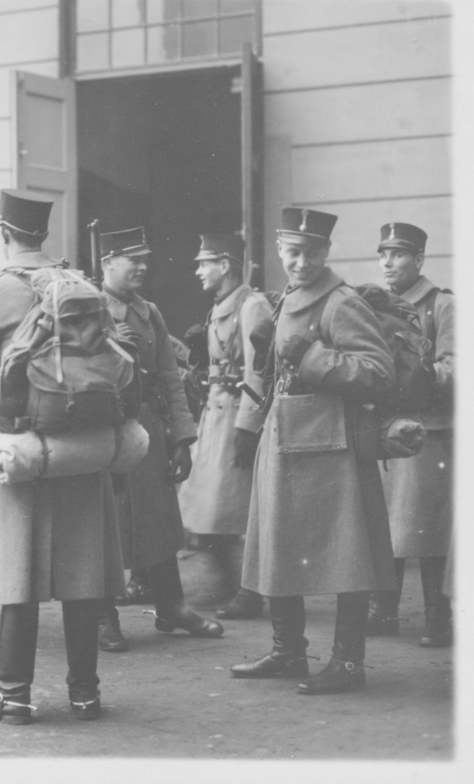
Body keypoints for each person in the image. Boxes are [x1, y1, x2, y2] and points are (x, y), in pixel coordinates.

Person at [0, 189, 126, 723]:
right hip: (81, 444)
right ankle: (85, 694)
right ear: (43, 233)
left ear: (4, 232)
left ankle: (13, 695)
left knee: (16, 571)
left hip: (16, 446)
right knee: (82, 572)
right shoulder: (82, 286)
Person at [230, 207, 396, 694]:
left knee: (348, 554)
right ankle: (288, 653)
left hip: (332, 449)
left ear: (326, 253)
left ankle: (348, 663)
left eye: (312, 253)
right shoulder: (286, 297)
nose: (301, 262)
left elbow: (379, 372)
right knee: (278, 547)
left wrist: (312, 357)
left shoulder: (341, 302)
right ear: (280, 250)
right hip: (285, 441)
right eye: (293, 252)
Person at [97, 226, 223, 652]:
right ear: (107, 262)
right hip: (107, 429)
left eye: (144, 260)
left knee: (161, 521)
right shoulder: (88, 308)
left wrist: (183, 438)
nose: (142, 267)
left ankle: (171, 607)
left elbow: (171, 377)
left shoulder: (149, 312)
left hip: (149, 430)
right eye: (132, 259)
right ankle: (102, 616)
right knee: (106, 524)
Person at [177, 235, 274, 620]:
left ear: (225, 265)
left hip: (235, 417)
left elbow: (258, 370)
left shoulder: (252, 306)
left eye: (205, 263)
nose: (198, 271)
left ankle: (249, 591)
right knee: (207, 510)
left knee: (238, 511)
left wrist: (248, 426)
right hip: (215, 417)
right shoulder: (221, 305)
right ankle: (229, 581)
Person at [371, 222, 454, 647]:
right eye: (383, 254)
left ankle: (439, 617)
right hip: (387, 430)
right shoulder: (376, 305)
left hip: (429, 431)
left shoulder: (441, 305)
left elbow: (457, 364)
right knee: (387, 521)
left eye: (398, 254)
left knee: (429, 527)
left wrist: (426, 374)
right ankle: (384, 610)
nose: (388, 263)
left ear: (419, 260)